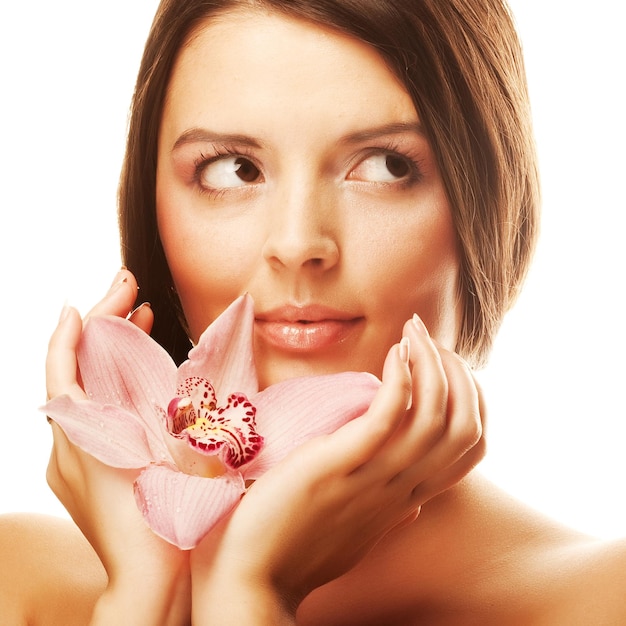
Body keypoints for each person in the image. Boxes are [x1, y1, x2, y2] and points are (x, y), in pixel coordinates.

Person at [1, 0, 624, 624]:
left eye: (385, 165)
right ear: (152, 201)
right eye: (234, 169)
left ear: (487, 202)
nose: (298, 244)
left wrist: (249, 594)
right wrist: (144, 597)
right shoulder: (17, 585)